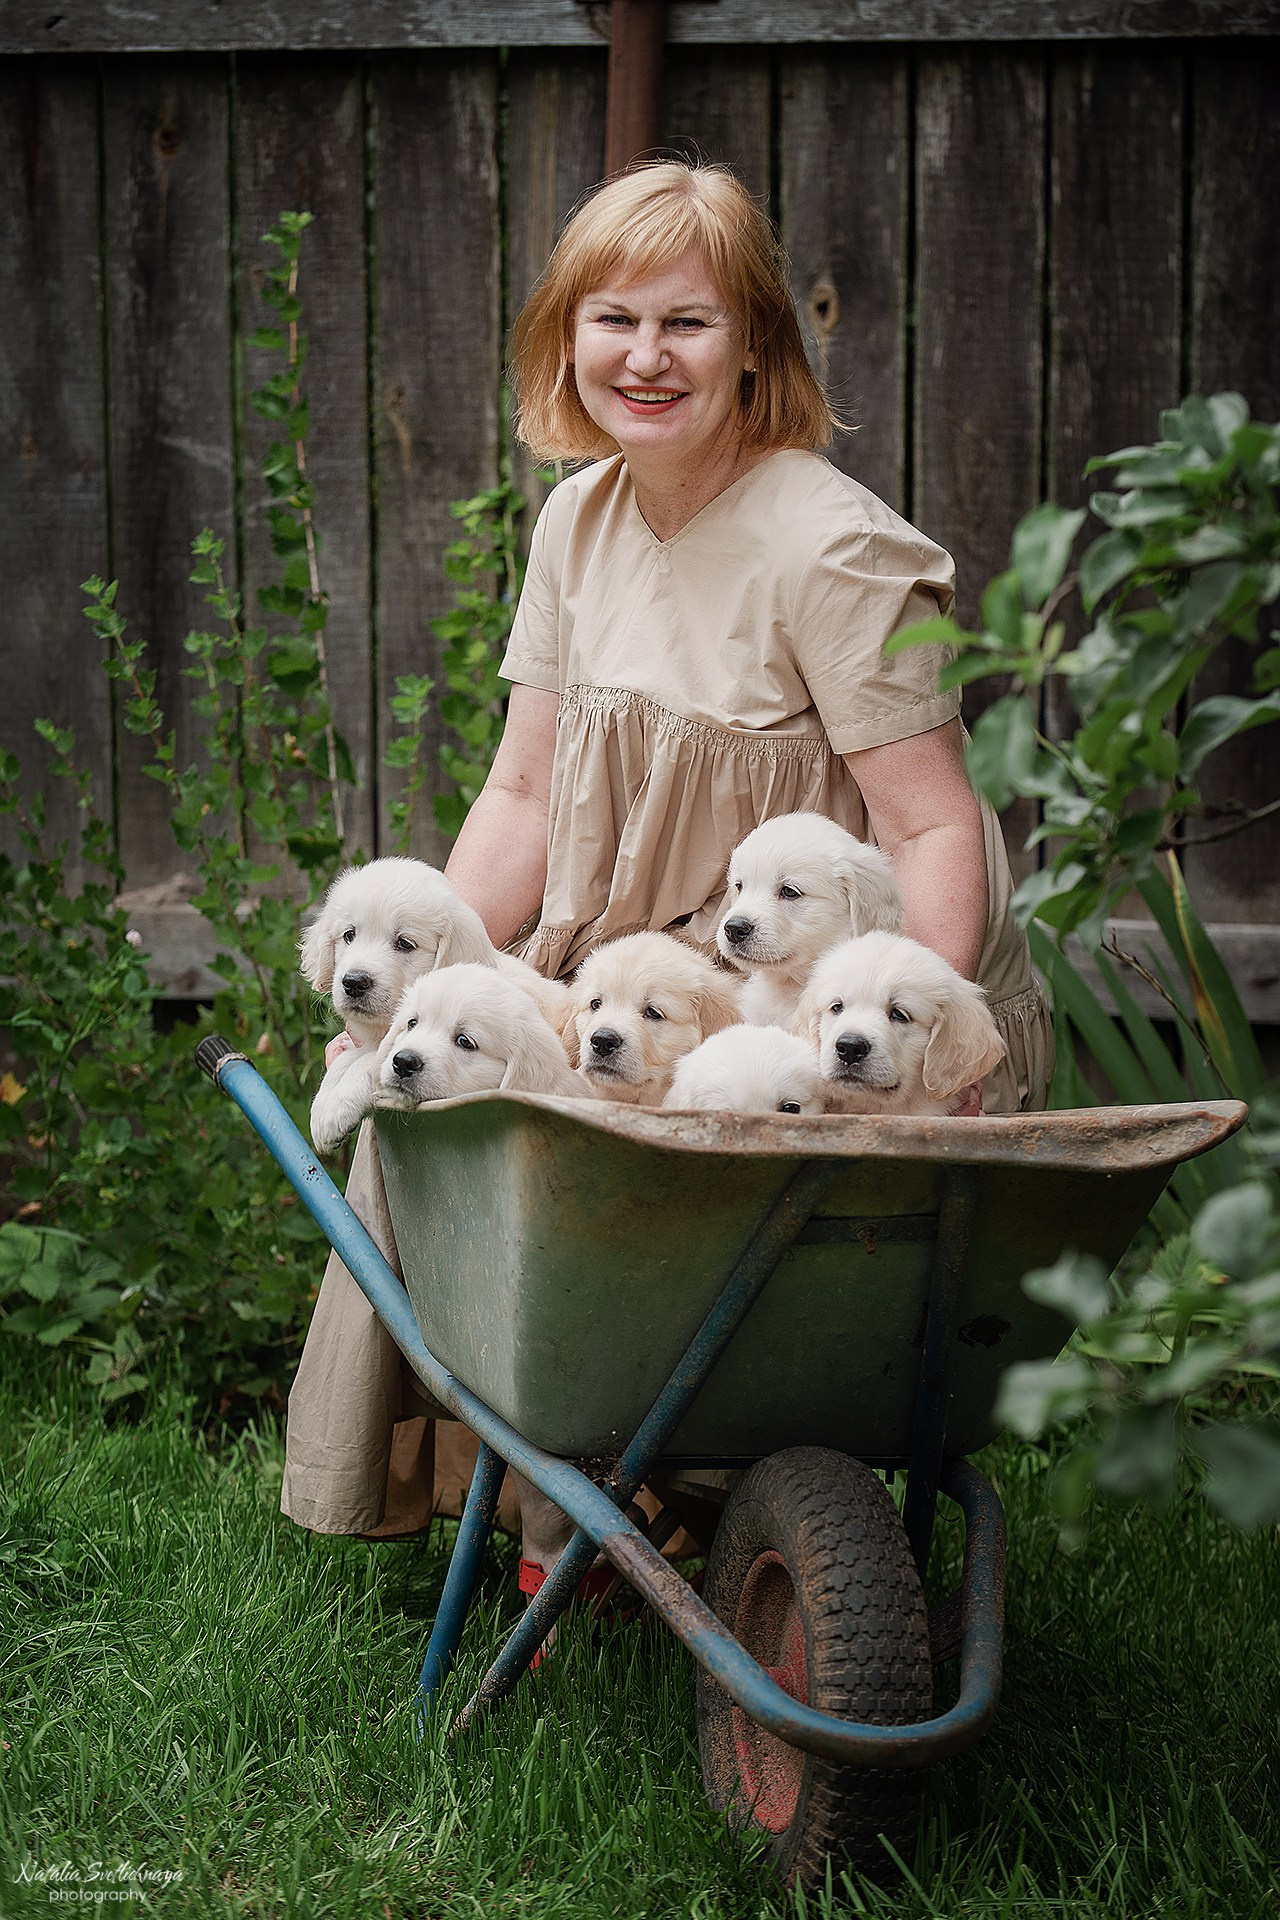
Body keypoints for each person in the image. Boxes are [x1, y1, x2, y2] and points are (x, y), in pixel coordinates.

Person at [280, 159, 1053, 1562]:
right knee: (461, 1083)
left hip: (806, 1006)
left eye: (687, 323)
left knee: (662, 1166)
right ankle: (562, 1497)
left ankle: (638, 1493)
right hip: (635, 971)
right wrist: (429, 981)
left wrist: (903, 1058)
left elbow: (932, 825)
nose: (644, 357)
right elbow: (521, 792)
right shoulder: (578, 522)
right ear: (563, 338)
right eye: (612, 318)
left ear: (756, 342)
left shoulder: (827, 546)